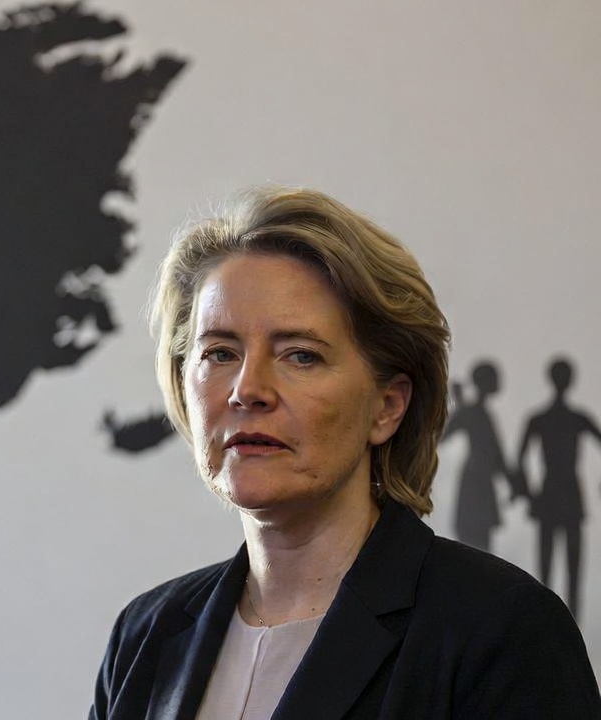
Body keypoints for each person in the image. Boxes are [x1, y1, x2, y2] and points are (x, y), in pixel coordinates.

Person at [89, 186, 599, 719]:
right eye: (220, 353)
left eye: (300, 356)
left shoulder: (501, 629)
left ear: (387, 407)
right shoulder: (144, 637)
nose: (248, 389)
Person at [516, 357, 601, 617]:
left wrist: (529, 494)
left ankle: (551, 621)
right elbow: (519, 462)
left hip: (551, 494)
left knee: (549, 566)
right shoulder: (576, 419)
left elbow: (519, 462)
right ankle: (567, 623)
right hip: (567, 494)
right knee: (568, 567)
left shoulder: (540, 419)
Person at [441, 361, 528, 552]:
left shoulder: (477, 412)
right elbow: (442, 435)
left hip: (479, 483)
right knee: (475, 544)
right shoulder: (475, 412)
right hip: (476, 484)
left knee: (478, 545)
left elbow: (496, 455)